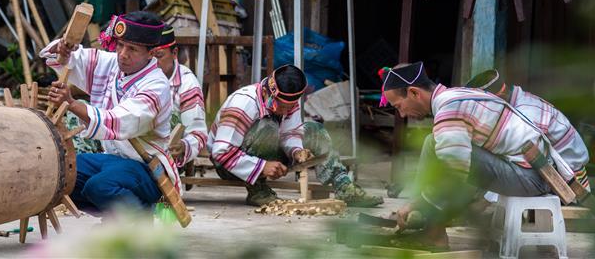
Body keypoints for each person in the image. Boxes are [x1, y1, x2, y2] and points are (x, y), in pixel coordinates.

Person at [380, 63, 575, 243]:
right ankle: (433, 228)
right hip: (533, 173)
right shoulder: (456, 95)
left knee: (443, 155)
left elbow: (454, 172)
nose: (402, 114)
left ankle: (434, 233)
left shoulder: (449, 108)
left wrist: (416, 203)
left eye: (398, 106)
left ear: (414, 93)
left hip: (533, 178)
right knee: (438, 145)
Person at [41, 11, 179, 214]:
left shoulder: (156, 86)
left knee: (99, 186)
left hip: (147, 169)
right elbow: (74, 59)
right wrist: (65, 50)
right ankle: (118, 218)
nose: (123, 54)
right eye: (120, 45)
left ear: (151, 53)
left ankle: (138, 219)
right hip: (113, 160)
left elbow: (119, 122)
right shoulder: (112, 64)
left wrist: (71, 103)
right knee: (61, 174)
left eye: (132, 49)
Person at [208, 64, 382, 207]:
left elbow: (290, 132)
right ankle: (258, 191)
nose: (286, 110)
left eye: (290, 106)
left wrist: (297, 151)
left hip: (264, 154)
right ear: (270, 94)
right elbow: (221, 153)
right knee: (267, 125)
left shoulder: (289, 102)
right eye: (282, 106)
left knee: (315, 129)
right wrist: (262, 167)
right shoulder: (243, 103)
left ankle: (344, 186)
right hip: (229, 165)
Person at [465, 69, 590, 189]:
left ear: (501, 96)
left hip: (565, 178)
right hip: (549, 167)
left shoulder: (526, 111)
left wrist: (486, 201)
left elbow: (524, 159)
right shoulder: (516, 103)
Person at [149, 24, 207, 167]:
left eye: (159, 56)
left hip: (168, 158)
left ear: (174, 53)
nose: (153, 63)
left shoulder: (187, 83)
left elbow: (197, 133)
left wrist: (182, 146)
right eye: (149, 56)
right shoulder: (139, 74)